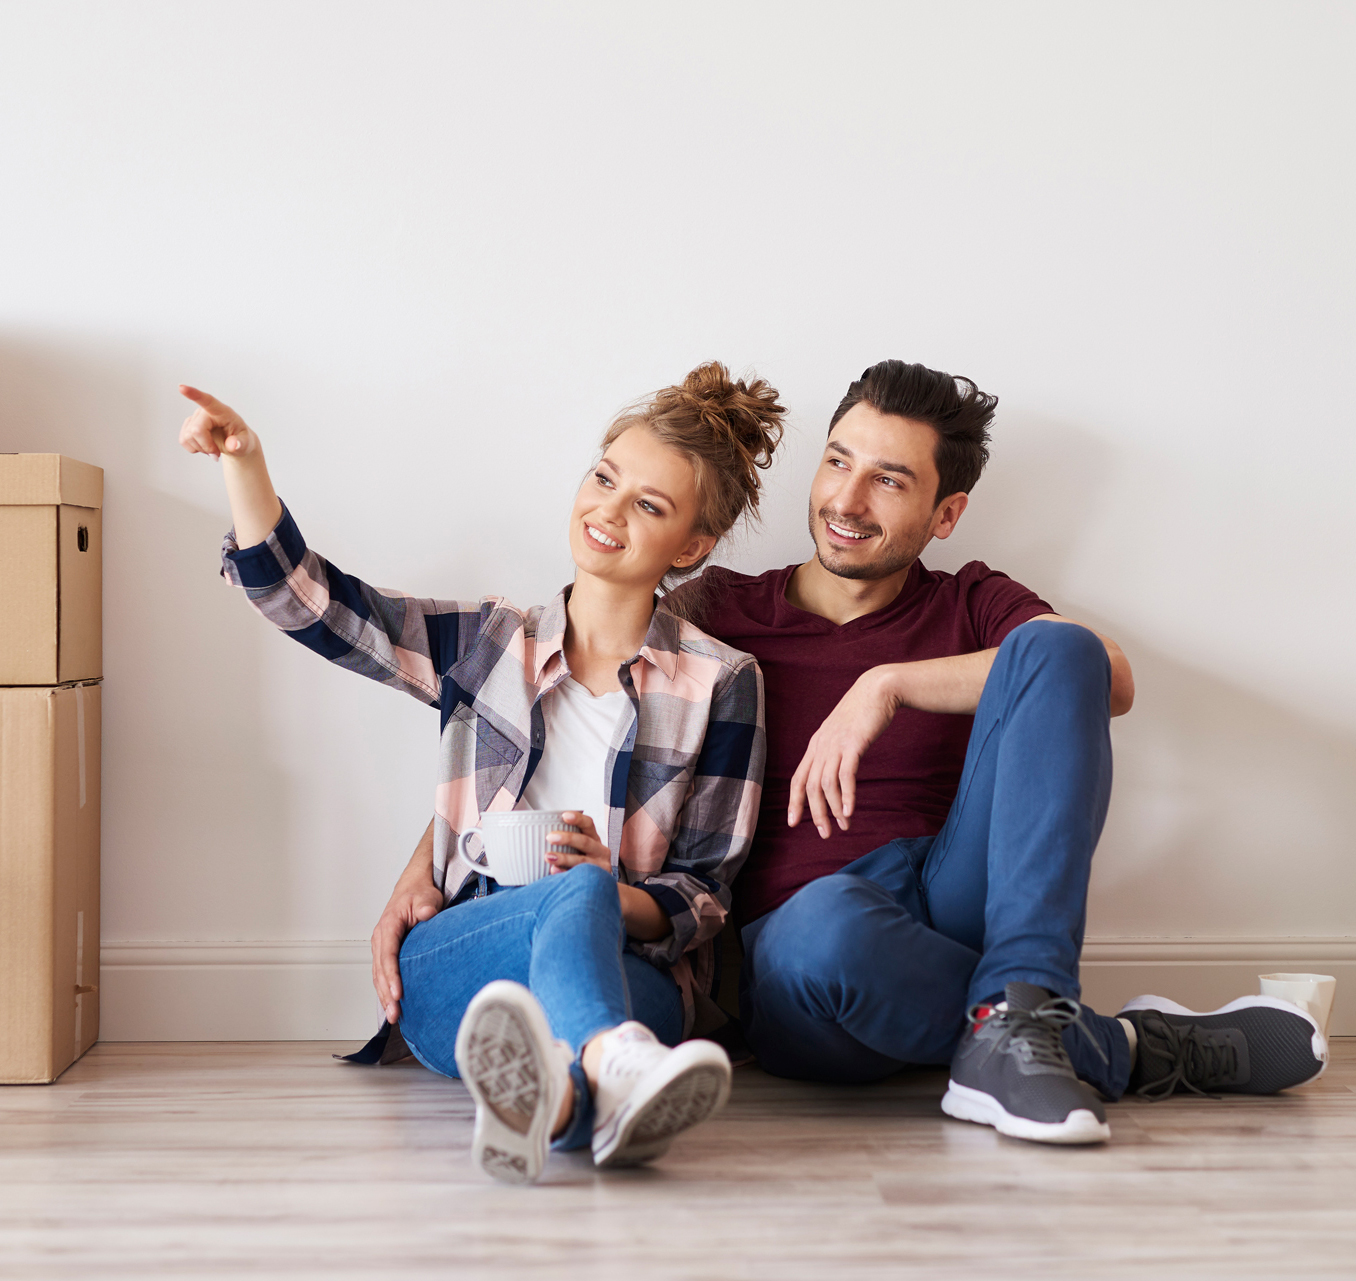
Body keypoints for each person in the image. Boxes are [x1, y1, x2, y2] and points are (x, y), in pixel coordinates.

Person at [665, 360, 1329, 1144]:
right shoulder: (720, 609)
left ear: (945, 513)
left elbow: (1107, 674)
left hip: (952, 895)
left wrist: (888, 685)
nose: (846, 500)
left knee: (1062, 649)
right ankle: (1114, 1042)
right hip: (804, 956)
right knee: (827, 928)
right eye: (838, 460)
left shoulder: (970, 600)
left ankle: (1024, 1001)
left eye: (889, 480)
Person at [177, 363, 781, 1182]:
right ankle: (613, 1064)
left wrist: (612, 890)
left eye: (649, 505)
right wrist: (244, 463)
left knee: (588, 899)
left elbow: (706, 890)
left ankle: (563, 1105)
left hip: (625, 963)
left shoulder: (722, 681)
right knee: (577, 892)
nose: (608, 509)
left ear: (694, 545)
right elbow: (311, 603)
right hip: (461, 950)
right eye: (604, 478)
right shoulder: (487, 644)